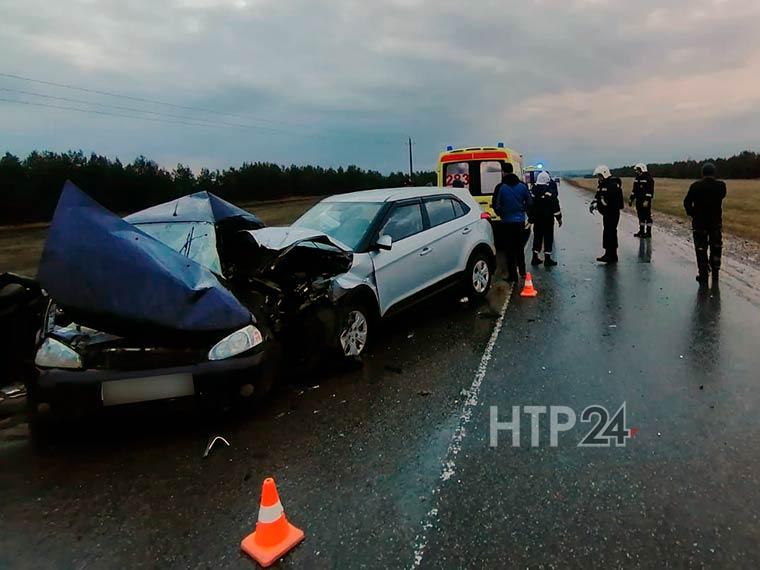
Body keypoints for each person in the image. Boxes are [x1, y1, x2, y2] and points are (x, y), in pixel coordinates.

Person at [683, 162, 726, 285]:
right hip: (715, 222)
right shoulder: (721, 186)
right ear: (714, 172)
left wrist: (692, 213)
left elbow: (687, 202)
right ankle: (715, 271)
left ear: (702, 173)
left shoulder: (695, 186)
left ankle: (703, 273)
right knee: (716, 247)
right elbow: (722, 196)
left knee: (701, 248)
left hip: (699, 222)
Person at [492, 162, 532, 282]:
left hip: (506, 222)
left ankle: (512, 276)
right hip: (519, 221)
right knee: (519, 247)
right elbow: (529, 202)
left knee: (509, 250)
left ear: (503, 172)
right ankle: (523, 271)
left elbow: (496, 205)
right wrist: (525, 212)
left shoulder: (500, 187)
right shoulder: (522, 186)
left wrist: (501, 214)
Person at [591, 165, 624, 263]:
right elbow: (598, 196)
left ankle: (611, 255)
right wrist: (594, 203)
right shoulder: (602, 184)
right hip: (606, 213)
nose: (599, 178)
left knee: (610, 232)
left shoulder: (612, 185)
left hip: (612, 213)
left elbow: (613, 202)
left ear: (605, 174)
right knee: (608, 232)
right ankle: (609, 254)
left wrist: (602, 204)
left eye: (600, 176)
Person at [529, 171, 563, 267]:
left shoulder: (533, 191)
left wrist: (531, 218)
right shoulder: (550, 192)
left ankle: (534, 257)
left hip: (537, 220)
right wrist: (559, 218)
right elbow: (555, 207)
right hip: (547, 219)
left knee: (537, 237)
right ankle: (547, 259)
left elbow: (529, 205)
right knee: (548, 238)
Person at [629, 163, 655, 238]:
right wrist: (631, 199)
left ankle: (648, 232)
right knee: (640, 216)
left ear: (642, 169)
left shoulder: (648, 178)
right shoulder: (637, 178)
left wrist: (647, 200)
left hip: (645, 201)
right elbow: (634, 190)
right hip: (639, 200)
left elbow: (650, 191)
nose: (637, 171)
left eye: (638, 169)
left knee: (647, 216)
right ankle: (641, 231)